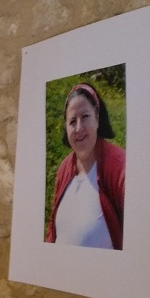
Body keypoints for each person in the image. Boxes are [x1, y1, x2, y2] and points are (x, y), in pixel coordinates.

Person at [46, 83, 125, 250]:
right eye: (72, 121)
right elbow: (52, 228)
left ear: (97, 117)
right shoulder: (63, 169)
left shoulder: (121, 168)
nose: (79, 128)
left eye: (85, 117)